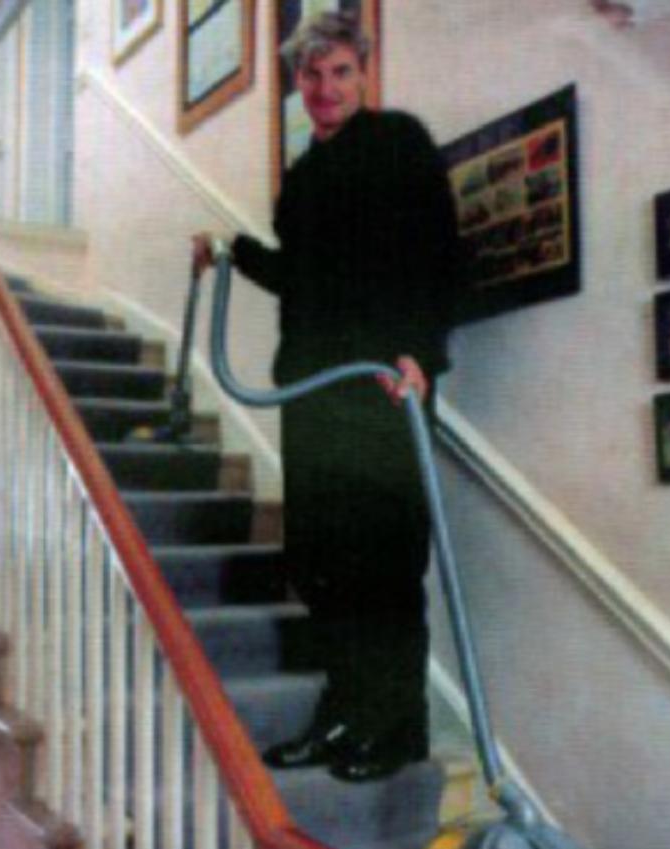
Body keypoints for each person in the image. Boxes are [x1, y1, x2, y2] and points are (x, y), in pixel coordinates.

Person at [192, 12, 459, 783]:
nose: (326, 88)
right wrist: (233, 252)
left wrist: (422, 355)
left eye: (340, 71)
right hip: (311, 391)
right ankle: (342, 717)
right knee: (320, 560)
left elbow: (439, 253)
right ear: (296, 84)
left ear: (364, 73)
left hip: (381, 386)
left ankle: (395, 729)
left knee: (383, 561)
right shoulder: (303, 176)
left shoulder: (398, 143)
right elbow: (302, 280)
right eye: (312, 75)